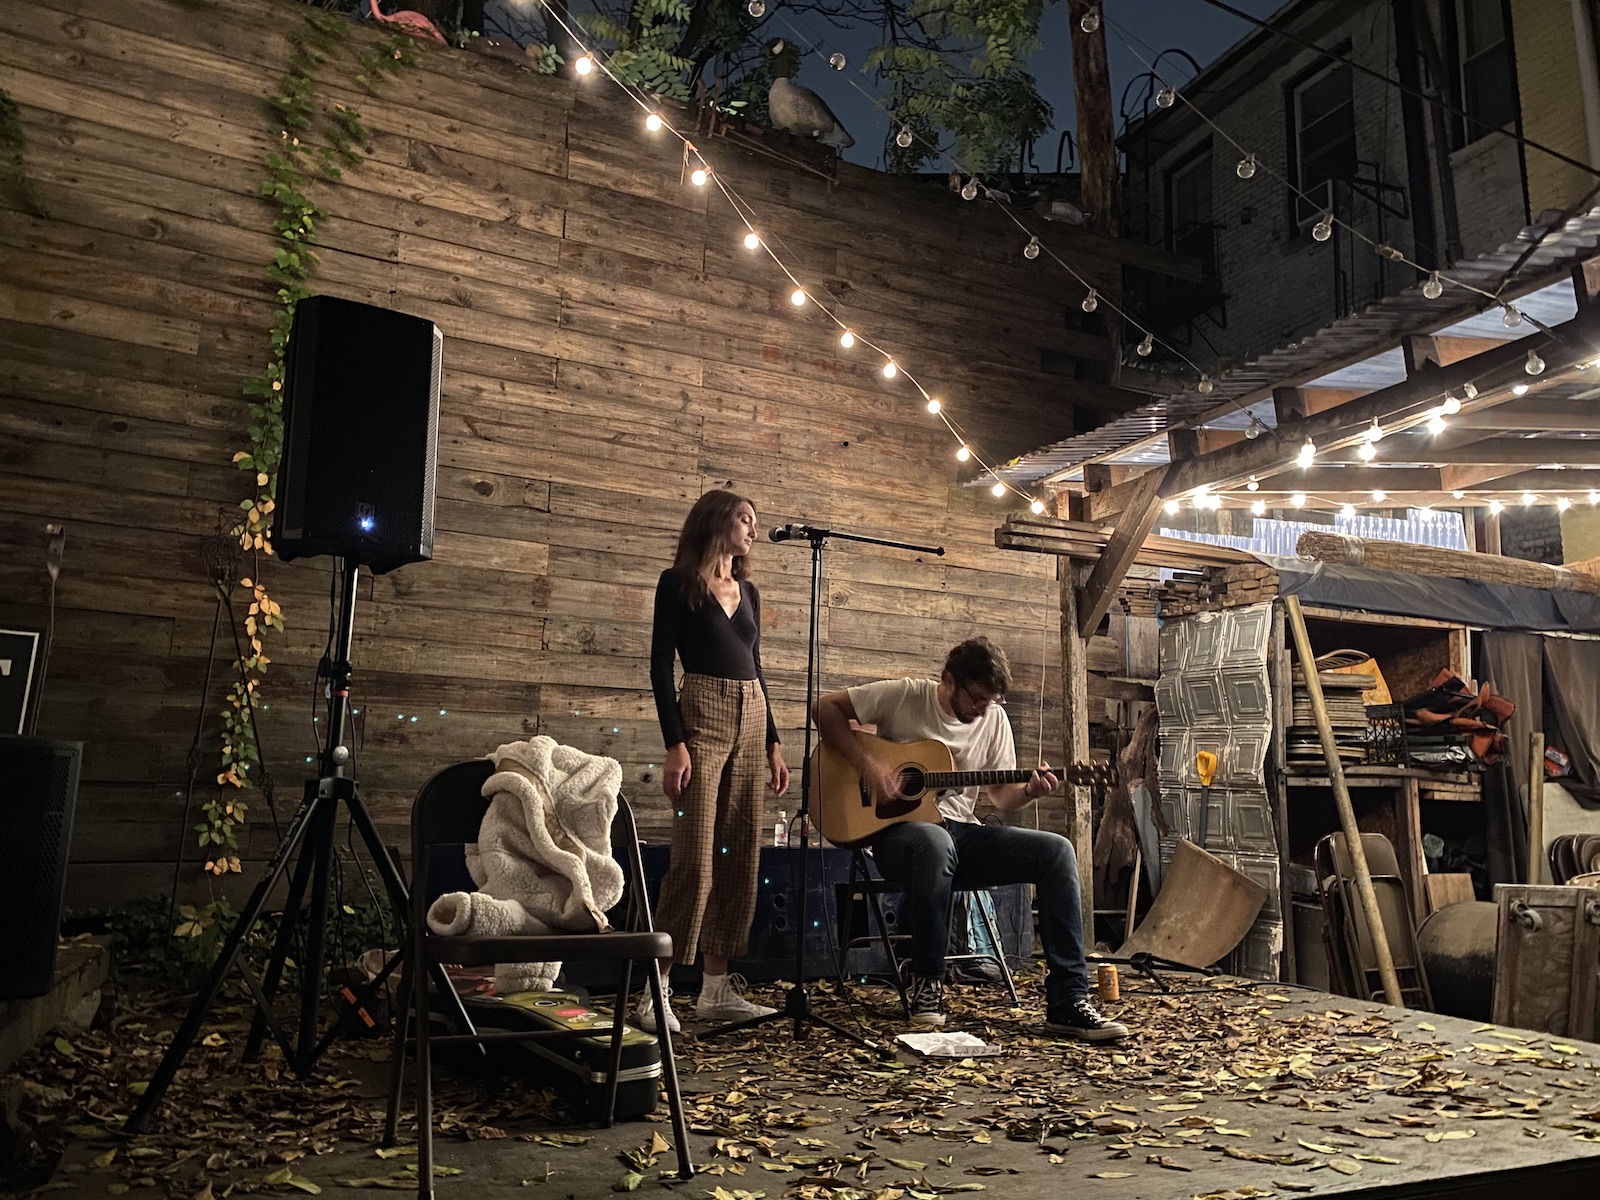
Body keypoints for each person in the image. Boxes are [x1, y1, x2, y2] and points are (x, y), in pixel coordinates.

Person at [813, 637, 1129, 1042]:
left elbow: (1003, 796)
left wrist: (1030, 792)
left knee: (1056, 851)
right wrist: (869, 765)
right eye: (977, 699)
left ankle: (1067, 1000)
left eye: (990, 702)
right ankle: (927, 982)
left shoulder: (993, 718)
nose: (983, 710)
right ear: (949, 681)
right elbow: (824, 708)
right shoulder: (905, 695)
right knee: (932, 842)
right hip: (897, 839)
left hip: (961, 835)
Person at [643, 489, 790, 1032]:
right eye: (744, 518)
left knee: (741, 853)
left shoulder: (748, 590)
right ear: (715, 521)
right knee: (695, 859)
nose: (753, 529)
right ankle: (654, 992)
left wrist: (774, 740)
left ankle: (714, 989)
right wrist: (674, 742)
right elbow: (661, 667)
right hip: (700, 710)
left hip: (752, 715)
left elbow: (757, 666)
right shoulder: (676, 583)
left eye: (755, 520)